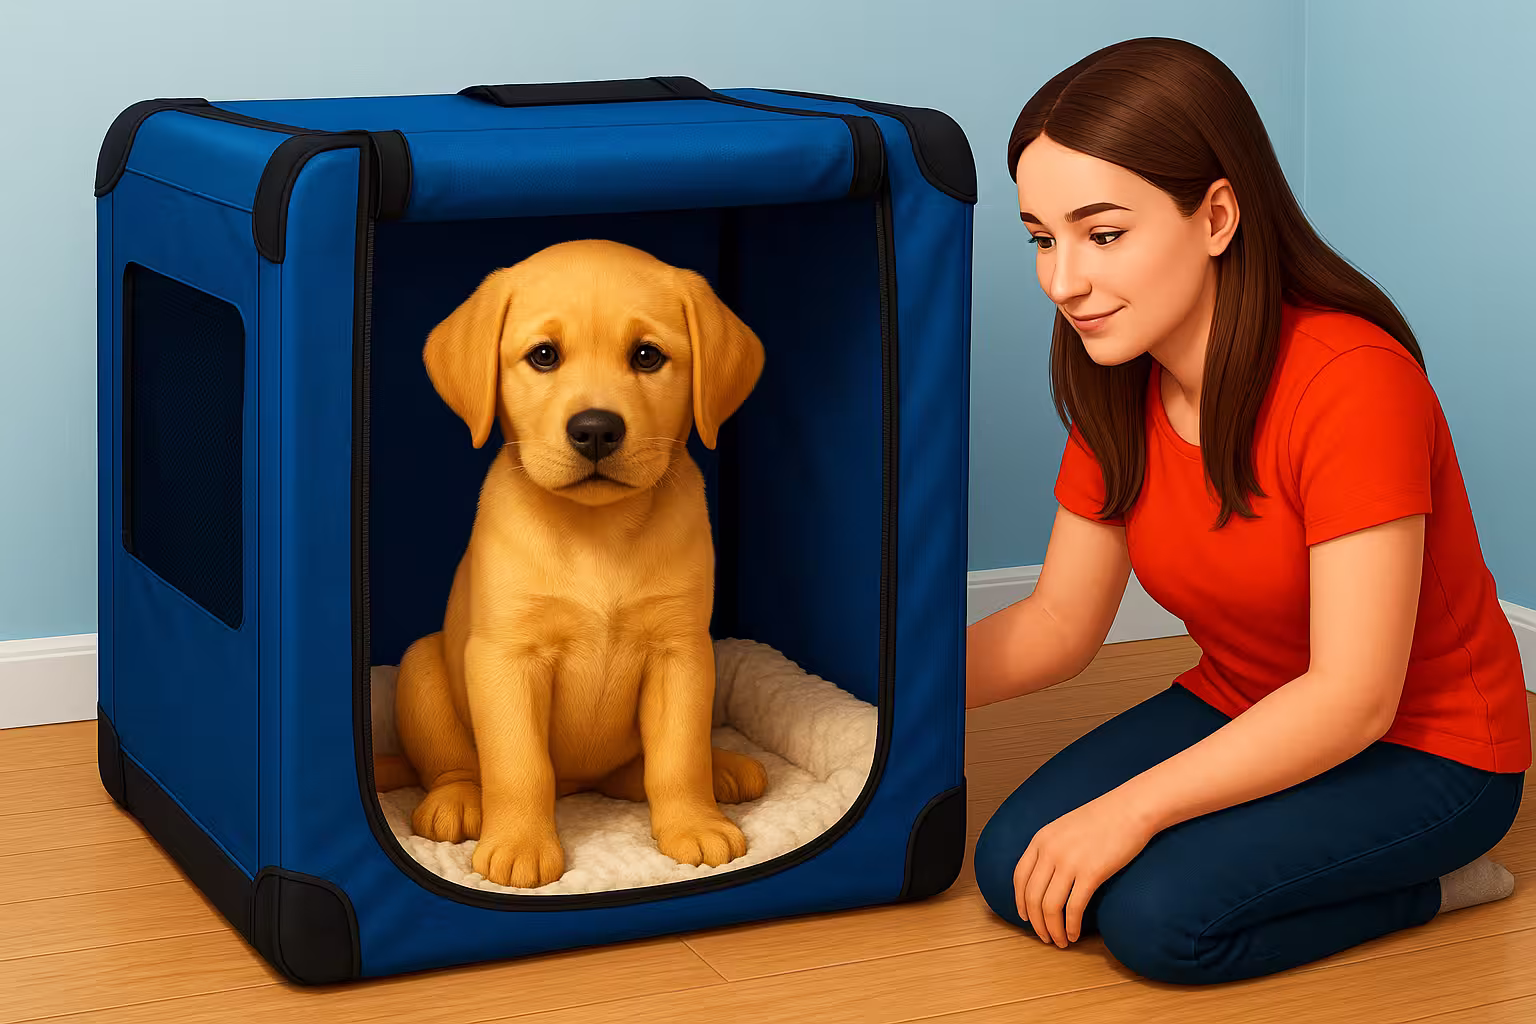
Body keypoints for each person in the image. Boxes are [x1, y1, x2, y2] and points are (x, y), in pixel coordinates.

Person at [967, 36, 1529, 986]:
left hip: (1429, 749)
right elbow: (1059, 623)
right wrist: (880, 699)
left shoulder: (1352, 385)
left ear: (1217, 215)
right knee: (1010, 869)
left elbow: (1355, 698)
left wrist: (1134, 810)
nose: (1063, 281)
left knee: (1162, 925)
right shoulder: (1120, 384)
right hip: (1245, 701)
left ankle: (1443, 882)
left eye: (1102, 235)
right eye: (1041, 238)